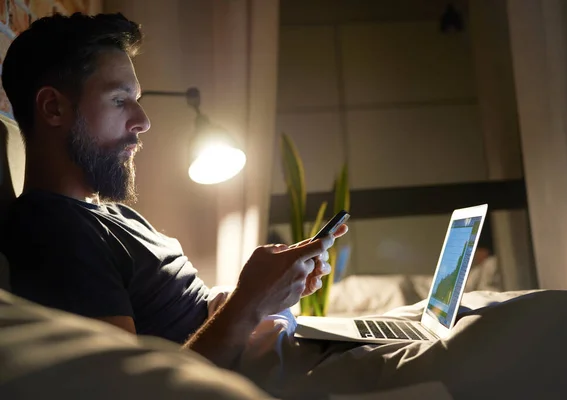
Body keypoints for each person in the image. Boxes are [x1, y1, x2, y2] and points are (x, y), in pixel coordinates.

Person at [0, 12, 347, 370]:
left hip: (279, 350)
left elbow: (194, 319)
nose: (143, 121)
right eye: (119, 100)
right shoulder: (55, 230)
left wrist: (271, 286)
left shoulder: (113, 216)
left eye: (136, 99)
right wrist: (250, 301)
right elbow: (128, 389)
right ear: (53, 107)